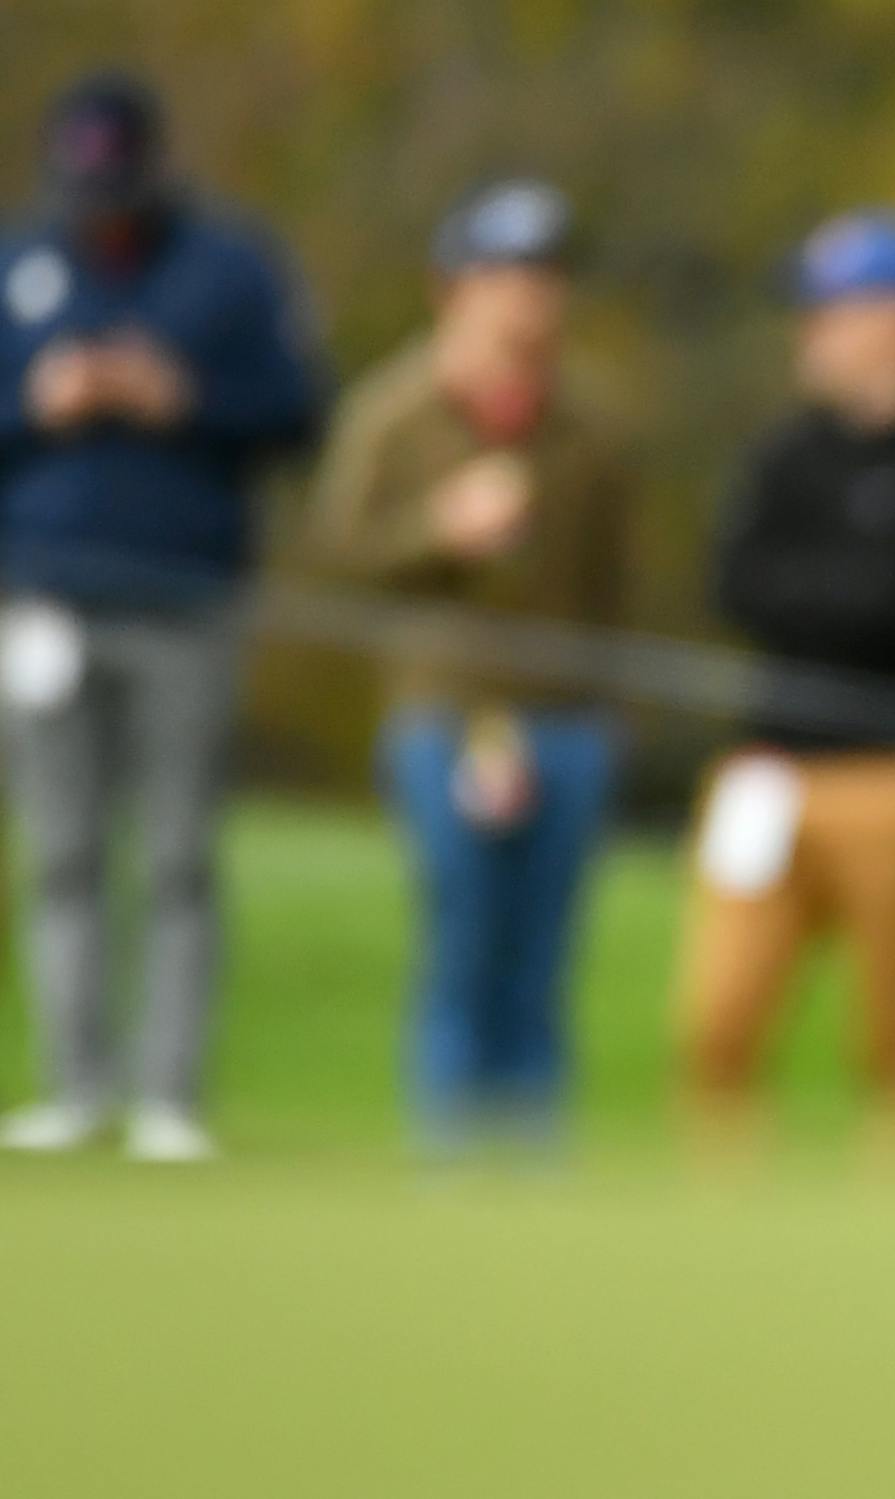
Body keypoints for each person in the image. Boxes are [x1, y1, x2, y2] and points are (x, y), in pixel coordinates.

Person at [0, 72, 321, 1160]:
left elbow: (294, 411)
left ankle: (167, 1097)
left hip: (184, 601)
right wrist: (34, 404)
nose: (101, 203)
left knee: (180, 852)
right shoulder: (18, 268)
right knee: (62, 852)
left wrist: (181, 398)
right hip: (41, 601)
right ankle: (77, 1086)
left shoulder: (229, 271)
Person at [310, 180, 631, 1152]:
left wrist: (610, 718)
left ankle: (531, 1184)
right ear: (453, 286)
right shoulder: (393, 414)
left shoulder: (594, 424)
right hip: (441, 721)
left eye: (543, 274)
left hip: (567, 724)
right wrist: (438, 529)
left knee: (541, 964)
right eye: (504, 273)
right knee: (461, 951)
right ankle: (451, 1170)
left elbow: (611, 588)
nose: (527, 297)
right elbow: (337, 556)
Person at [680, 211, 895, 1143]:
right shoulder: (786, 450)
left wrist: (822, 593)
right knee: (717, 1027)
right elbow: (735, 583)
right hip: (769, 770)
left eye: (830, 309)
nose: (809, 331)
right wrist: (851, 589)